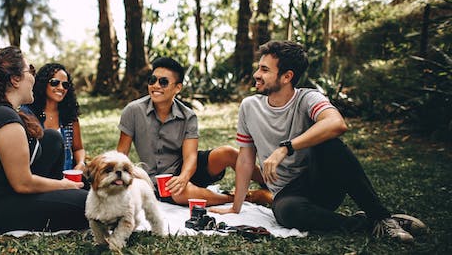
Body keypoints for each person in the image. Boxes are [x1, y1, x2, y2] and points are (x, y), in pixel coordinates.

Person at [210, 40, 426, 243]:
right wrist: (235, 207)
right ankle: (366, 223)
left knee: (330, 144)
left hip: (321, 183)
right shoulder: (249, 107)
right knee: (286, 212)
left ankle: (381, 216)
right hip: (288, 195)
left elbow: (336, 123)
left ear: (287, 76)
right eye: (259, 67)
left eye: (265, 70)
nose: (257, 74)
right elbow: (246, 160)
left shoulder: (308, 98)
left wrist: (286, 147)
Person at [0, 46, 88, 234]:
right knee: (89, 205)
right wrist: (64, 185)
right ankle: (62, 198)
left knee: (52, 139)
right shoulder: (2, 119)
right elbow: (23, 183)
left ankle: (59, 198)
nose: (33, 77)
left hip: (1, 192)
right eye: (30, 69)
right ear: (15, 80)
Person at [116, 57, 268, 206]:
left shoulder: (188, 116)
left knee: (227, 152)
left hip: (187, 169)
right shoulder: (133, 111)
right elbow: (121, 154)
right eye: (152, 80)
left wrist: (183, 177)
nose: (156, 85)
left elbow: (190, 157)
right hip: (158, 180)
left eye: (163, 82)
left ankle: (271, 184)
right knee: (179, 192)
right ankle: (244, 198)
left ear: (178, 88)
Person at [26, 63, 86, 171]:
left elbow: (78, 148)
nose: (61, 88)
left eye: (65, 85)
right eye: (55, 83)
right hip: (39, 178)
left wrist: (81, 163)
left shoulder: (69, 116)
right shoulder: (28, 114)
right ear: (43, 84)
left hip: (66, 176)